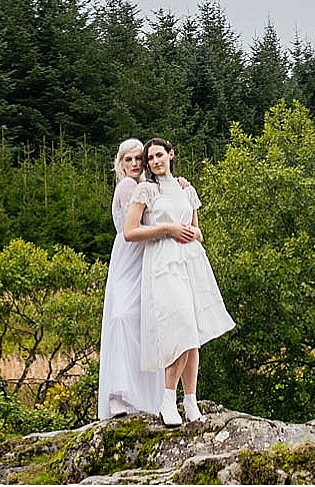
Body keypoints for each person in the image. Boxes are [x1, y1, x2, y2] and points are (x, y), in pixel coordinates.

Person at [122, 136, 234, 425]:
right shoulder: (147, 190)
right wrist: (168, 229)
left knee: (193, 334)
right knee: (181, 326)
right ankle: (167, 400)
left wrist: (190, 232)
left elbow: (197, 230)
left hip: (191, 262)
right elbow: (130, 232)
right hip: (162, 261)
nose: (154, 161)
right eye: (150, 158)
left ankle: (191, 402)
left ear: (171, 155)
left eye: (159, 155)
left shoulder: (186, 189)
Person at [95, 139, 167, 418]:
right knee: (123, 317)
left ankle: (141, 396)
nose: (135, 163)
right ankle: (119, 393)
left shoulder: (146, 187)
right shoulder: (128, 187)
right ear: (121, 164)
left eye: (139, 158)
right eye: (129, 159)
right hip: (130, 255)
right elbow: (133, 227)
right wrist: (165, 229)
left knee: (144, 323)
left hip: (144, 256)